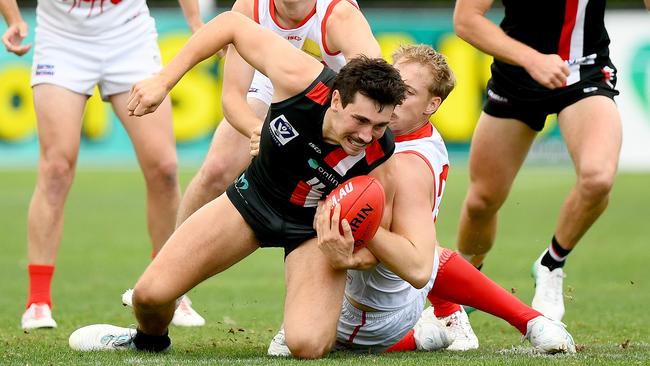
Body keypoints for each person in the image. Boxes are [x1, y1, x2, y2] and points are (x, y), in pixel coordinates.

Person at [68, 11, 407, 359]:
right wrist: (163, 81)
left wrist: (347, 258)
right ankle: (147, 340)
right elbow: (229, 24)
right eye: (360, 120)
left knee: (307, 345)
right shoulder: (302, 77)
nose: (367, 135)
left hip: (312, 231)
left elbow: (375, 242)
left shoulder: (382, 157)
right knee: (149, 296)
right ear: (337, 100)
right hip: (252, 201)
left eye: (379, 126)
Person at [266, 44, 576, 356]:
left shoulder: (406, 165)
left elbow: (411, 262)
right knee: (418, 243)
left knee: (336, 215)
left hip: (367, 311)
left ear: (432, 104)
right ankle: (458, 324)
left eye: (408, 93)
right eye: (394, 85)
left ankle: (499, 321)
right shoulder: (412, 136)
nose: (393, 99)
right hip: (404, 297)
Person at [0, 0, 207, 330]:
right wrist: (12, 18)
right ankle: (38, 301)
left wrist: (195, 22)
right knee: (56, 169)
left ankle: (173, 289)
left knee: (164, 169)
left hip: (129, 36)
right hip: (61, 39)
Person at [450, 0, 630, 322]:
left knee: (598, 177)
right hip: (515, 78)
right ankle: (462, 290)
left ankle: (551, 264)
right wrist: (531, 59)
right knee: (482, 201)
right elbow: (466, 21)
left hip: (584, 71)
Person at [175, 0, 381, 229]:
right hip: (270, 84)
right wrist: (260, 132)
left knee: (356, 198)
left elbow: (373, 91)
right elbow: (233, 99)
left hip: (331, 102)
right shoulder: (249, 7)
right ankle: (169, 261)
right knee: (217, 168)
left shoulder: (340, 16)